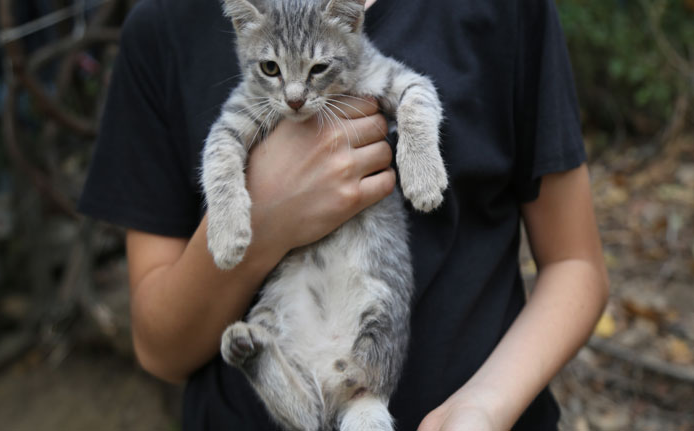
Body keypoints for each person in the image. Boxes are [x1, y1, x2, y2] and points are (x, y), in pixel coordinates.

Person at [79, 0, 609, 429]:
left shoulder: (502, 11)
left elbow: (575, 265)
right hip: (275, 377)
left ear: (351, 23)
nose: (292, 96)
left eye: (311, 70)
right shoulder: (162, 28)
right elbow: (158, 347)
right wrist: (264, 219)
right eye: (270, 70)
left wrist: (484, 409)